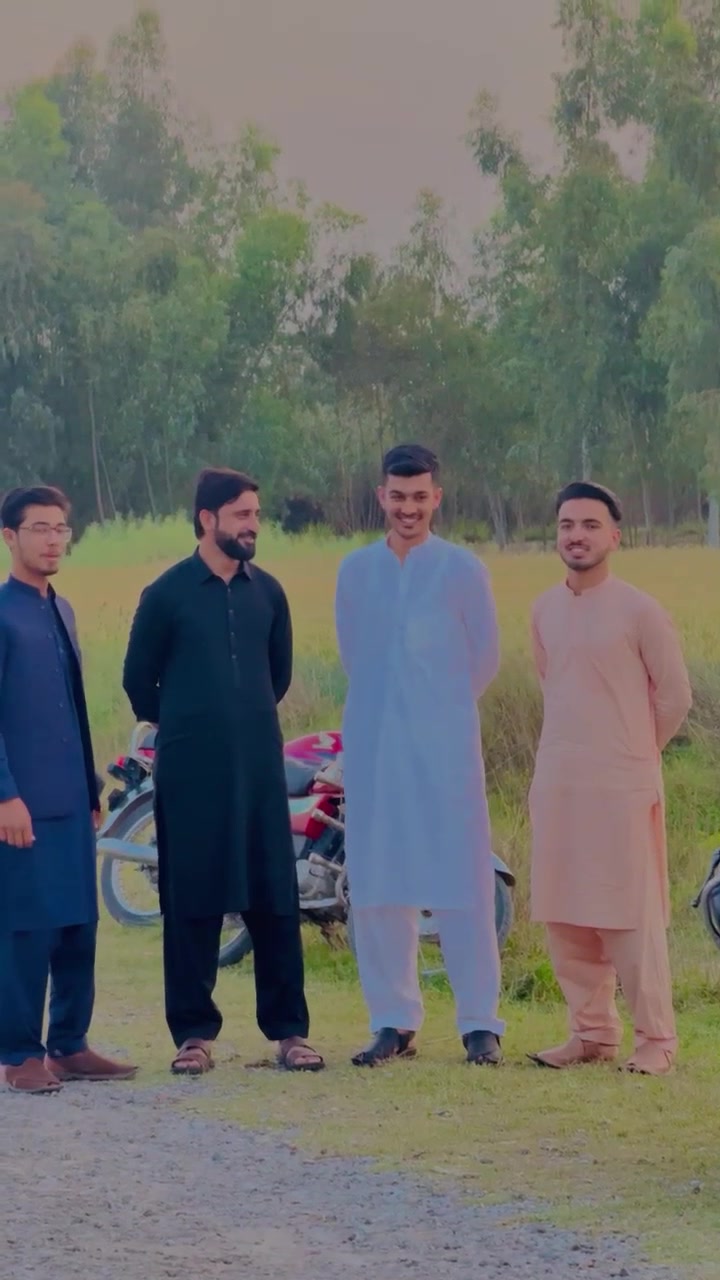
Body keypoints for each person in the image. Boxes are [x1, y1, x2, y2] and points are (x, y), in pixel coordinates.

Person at [122, 468, 324, 1075]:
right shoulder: (167, 594)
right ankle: (193, 1035)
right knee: (192, 898)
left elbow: (276, 676)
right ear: (207, 519)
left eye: (255, 514)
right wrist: (191, 723)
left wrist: (239, 722)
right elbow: (138, 682)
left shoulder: (269, 593)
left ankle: (290, 1032)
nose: (253, 525)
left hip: (259, 767)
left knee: (274, 897)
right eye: (241, 515)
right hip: (191, 772)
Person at [335, 444, 505, 1067]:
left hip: (444, 750)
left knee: (463, 879)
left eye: (419, 497)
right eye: (397, 496)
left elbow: (484, 659)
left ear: (437, 497)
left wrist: (436, 712)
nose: (408, 508)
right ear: (382, 496)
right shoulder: (356, 571)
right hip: (376, 747)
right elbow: (355, 656)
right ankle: (393, 1020)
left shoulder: (462, 569)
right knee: (378, 882)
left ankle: (480, 1023)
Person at [528, 481, 692, 1077]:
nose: (577, 536)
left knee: (628, 914)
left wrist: (633, 754)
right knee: (565, 911)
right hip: (559, 780)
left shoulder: (639, 610)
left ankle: (657, 1039)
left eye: (590, 525)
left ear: (615, 537)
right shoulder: (544, 610)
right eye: (567, 525)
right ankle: (592, 1033)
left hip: (622, 784)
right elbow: (553, 686)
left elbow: (675, 697)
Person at [0, 486, 138, 1094]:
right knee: (26, 929)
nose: (54, 540)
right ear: (10, 537)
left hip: (70, 799)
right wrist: (5, 796)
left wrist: (90, 789)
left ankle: (70, 1044)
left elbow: (75, 708)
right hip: (20, 804)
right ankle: (18, 1055)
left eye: (61, 528)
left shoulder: (63, 610)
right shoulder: (3, 614)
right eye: (40, 528)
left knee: (79, 923)